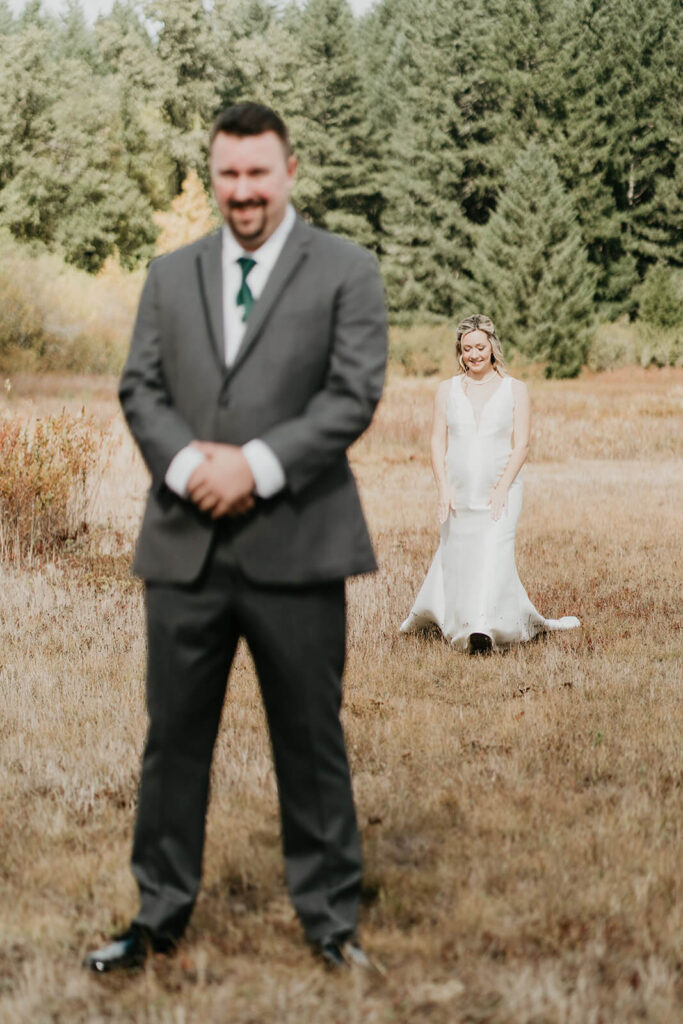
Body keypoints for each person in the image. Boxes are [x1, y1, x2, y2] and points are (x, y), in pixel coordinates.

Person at [83, 102, 387, 973]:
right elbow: (140, 388)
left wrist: (253, 464)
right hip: (184, 550)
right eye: (228, 174)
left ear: (290, 170)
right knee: (172, 739)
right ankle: (157, 915)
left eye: (258, 173)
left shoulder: (346, 270)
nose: (242, 191)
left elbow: (351, 392)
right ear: (211, 174)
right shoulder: (168, 273)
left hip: (298, 546)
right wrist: (188, 470)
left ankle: (330, 921)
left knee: (310, 737)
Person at [400, 314, 579, 653]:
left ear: (493, 347)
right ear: (460, 351)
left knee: (494, 551)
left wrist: (501, 488)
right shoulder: (446, 390)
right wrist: (442, 488)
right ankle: (454, 615)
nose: (474, 354)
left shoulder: (516, 389)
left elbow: (522, 445)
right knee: (461, 556)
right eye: (467, 349)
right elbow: (437, 442)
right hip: (459, 491)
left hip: (503, 489)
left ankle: (481, 629)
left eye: (480, 347)